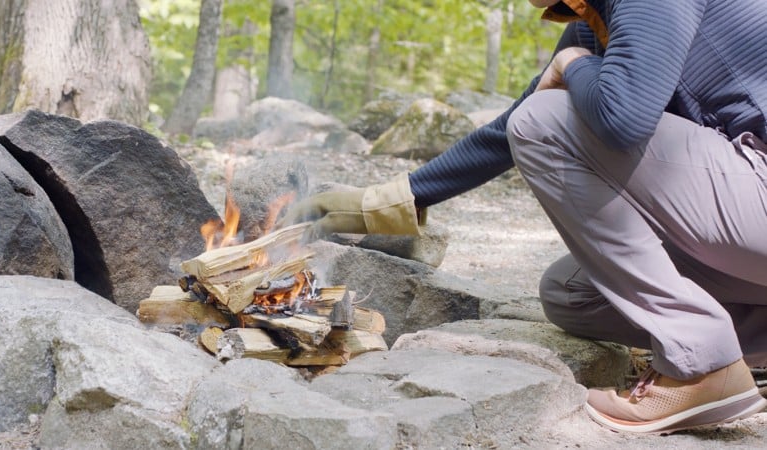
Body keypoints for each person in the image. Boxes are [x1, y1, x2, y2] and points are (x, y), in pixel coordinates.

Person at [281, 0, 767, 434]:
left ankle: (704, 365)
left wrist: (574, 66)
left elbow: (617, 118)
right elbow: (504, 134)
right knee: (571, 293)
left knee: (542, 120)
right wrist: (372, 205)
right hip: (749, 214)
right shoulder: (591, 20)